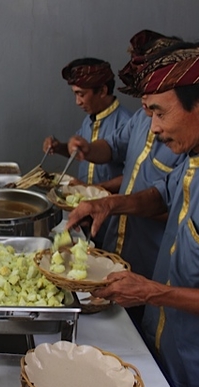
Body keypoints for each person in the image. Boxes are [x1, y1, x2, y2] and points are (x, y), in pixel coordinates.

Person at [67, 42, 199, 387]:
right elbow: (163, 193)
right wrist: (110, 204)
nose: (153, 129)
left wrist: (155, 292)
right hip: (170, 345)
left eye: (160, 114)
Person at [65, 31, 186, 326]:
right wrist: (89, 149)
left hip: (151, 255)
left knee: (144, 323)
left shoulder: (187, 139)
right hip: (119, 242)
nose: (145, 103)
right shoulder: (140, 119)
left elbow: (175, 206)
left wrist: (110, 201)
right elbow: (114, 148)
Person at [44, 57, 132, 247]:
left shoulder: (126, 124)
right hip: (86, 212)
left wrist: (93, 192)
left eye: (81, 94)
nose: (77, 102)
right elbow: (79, 152)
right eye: (74, 94)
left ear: (102, 91)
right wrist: (59, 147)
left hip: (111, 218)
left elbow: (134, 177)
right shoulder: (90, 120)